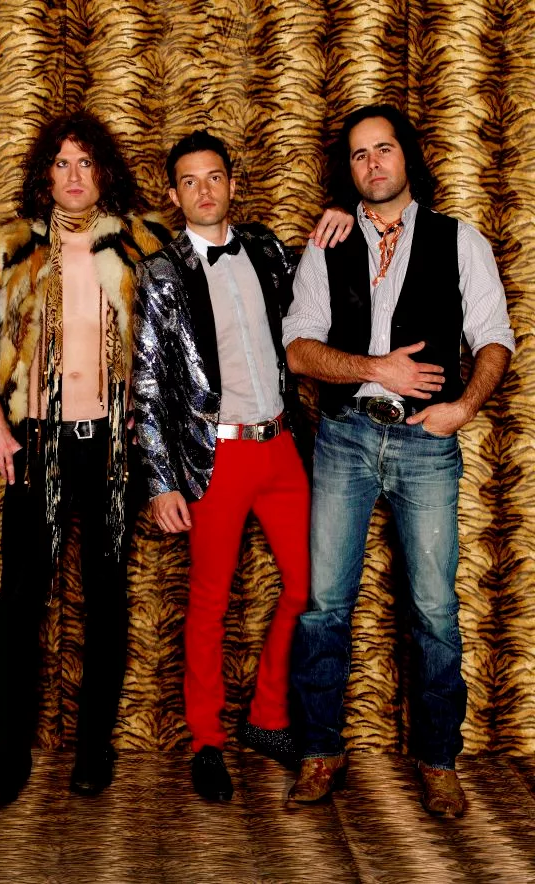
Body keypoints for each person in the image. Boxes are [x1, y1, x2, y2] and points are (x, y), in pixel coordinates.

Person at [284, 105, 514, 818]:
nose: (373, 163)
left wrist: (464, 407)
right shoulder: (328, 241)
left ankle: (439, 759)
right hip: (344, 437)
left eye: (383, 149)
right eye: (359, 154)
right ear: (348, 169)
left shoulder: (459, 239)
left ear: (407, 157)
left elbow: (495, 336)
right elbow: (299, 349)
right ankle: (320, 751)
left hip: (426, 443)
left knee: (436, 610)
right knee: (325, 606)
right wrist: (375, 368)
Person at [132, 130, 352, 802]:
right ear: (174, 196)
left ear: (231, 183)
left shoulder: (265, 248)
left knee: (307, 588)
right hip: (216, 456)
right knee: (209, 603)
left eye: (214, 177)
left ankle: (267, 718)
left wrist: (341, 214)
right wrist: (161, 482)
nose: (204, 190)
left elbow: (319, 287)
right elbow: (146, 385)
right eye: (189, 181)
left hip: (281, 445)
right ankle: (206, 740)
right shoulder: (160, 274)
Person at [0, 111, 169, 809]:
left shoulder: (141, 243)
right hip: (38, 441)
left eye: (86, 163)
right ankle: (10, 751)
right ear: (44, 175)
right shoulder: (11, 245)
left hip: (112, 445)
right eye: (61, 163)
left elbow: (183, 322)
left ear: (103, 171)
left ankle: (93, 748)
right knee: (22, 599)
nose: (74, 176)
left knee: (106, 597)